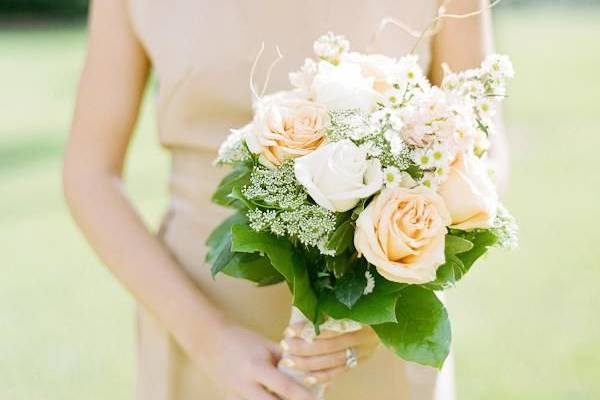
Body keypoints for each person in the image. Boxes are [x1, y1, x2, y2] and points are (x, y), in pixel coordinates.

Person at [63, 0, 509, 399]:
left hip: (379, 331)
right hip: (198, 319)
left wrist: (382, 310)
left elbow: (480, 150)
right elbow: (90, 175)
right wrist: (210, 340)